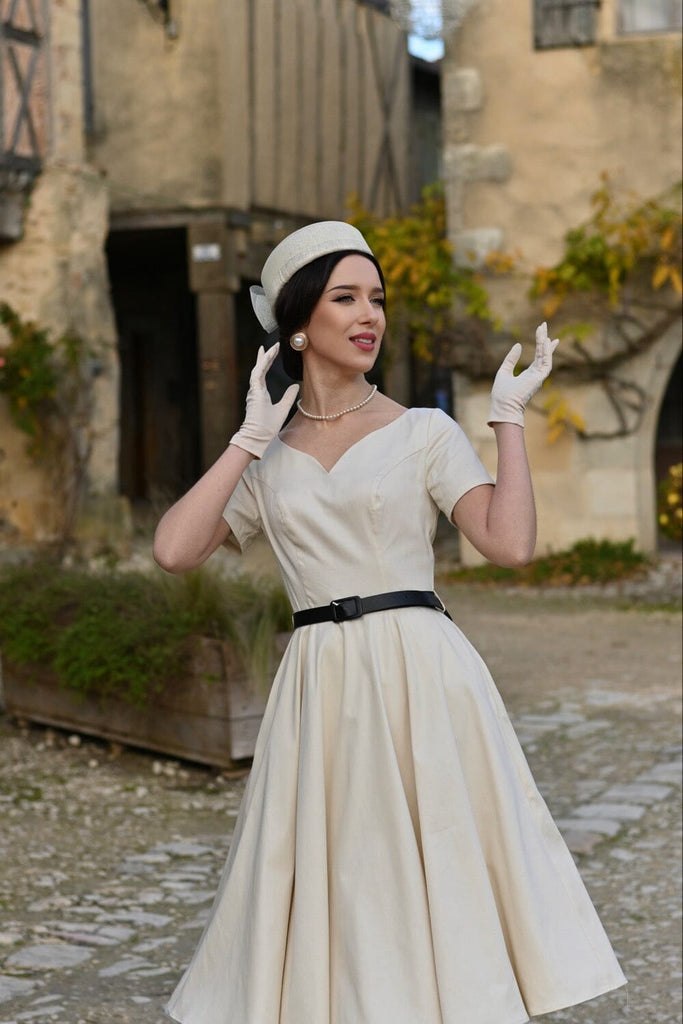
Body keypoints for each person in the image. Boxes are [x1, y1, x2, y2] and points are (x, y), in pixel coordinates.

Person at [155, 221, 626, 1024]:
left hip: (420, 669)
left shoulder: (423, 432)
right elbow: (174, 550)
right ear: (299, 322)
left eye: (376, 298)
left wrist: (506, 419)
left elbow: (508, 544)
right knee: (340, 867)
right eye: (345, 298)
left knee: (436, 854)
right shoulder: (266, 460)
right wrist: (247, 439)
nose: (369, 314)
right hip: (319, 682)